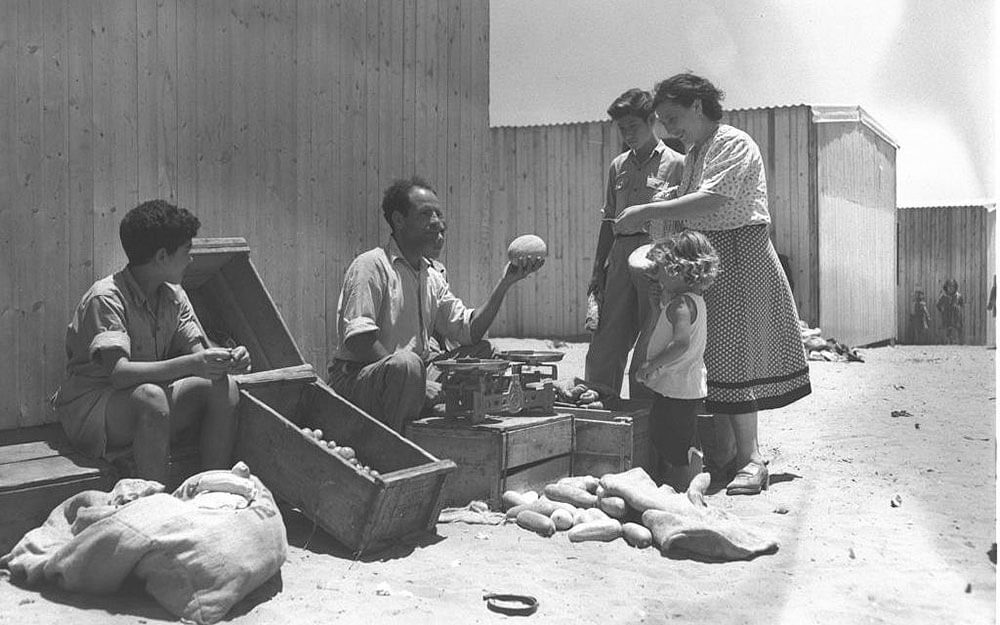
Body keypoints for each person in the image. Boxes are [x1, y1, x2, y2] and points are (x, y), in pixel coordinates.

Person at [614, 73, 811, 496]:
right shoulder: (697, 152)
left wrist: (646, 209)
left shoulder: (733, 143)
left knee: (735, 357)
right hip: (707, 262)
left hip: (740, 258)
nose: (668, 130)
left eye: (673, 117)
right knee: (713, 360)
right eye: (663, 121)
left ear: (698, 107)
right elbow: (685, 217)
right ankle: (726, 457)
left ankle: (752, 460)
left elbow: (713, 200)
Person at [52, 200, 251, 484]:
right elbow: (120, 375)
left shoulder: (173, 295)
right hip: (96, 410)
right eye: (187, 251)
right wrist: (193, 364)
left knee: (222, 386)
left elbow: (200, 351)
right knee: (151, 398)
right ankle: (157, 505)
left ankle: (212, 487)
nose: (191, 260)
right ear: (161, 257)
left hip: (149, 402)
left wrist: (226, 359)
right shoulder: (106, 297)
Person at [328, 176, 544, 433]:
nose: (437, 222)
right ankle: (398, 443)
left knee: (481, 352)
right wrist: (418, 383)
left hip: (414, 373)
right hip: (362, 378)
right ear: (398, 220)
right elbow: (359, 338)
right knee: (406, 364)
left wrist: (506, 282)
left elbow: (468, 331)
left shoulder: (431, 274)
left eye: (438, 214)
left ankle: (424, 403)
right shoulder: (371, 265)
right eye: (425, 214)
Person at [584, 88, 684, 400]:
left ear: (652, 120)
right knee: (607, 338)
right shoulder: (618, 166)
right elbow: (608, 222)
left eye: (633, 126)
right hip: (620, 254)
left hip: (657, 256)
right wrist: (598, 270)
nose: (627, 134)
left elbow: (684, 220)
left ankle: (647, 413)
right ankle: (600, 403)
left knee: (653, 335)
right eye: (622, 128)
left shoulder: (678, 164)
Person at [633, 230, 720, 492]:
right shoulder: (694, 301)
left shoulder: (680, 305)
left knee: (670, 436)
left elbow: (680, 343)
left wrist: (651, 365)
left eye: (660, 272)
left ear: (679, 270)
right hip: (684, 385)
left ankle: (682, 484)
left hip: (677, 386)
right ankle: (688, 478)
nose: (656, 278)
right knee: (682, 434)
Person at [936, 278, 964, 344]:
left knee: (958, 327)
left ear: (955, 287)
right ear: (946, 287)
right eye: (949, 286)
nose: (951, 288)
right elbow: (938, 304)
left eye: (953, 286)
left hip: (955, 315)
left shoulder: (958, 296)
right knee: (947, 328)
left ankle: (959, 341)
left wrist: (958, 308)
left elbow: (961, 304)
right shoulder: (943, 296)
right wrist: (942, 309)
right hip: (947, 315)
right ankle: (948, 341)